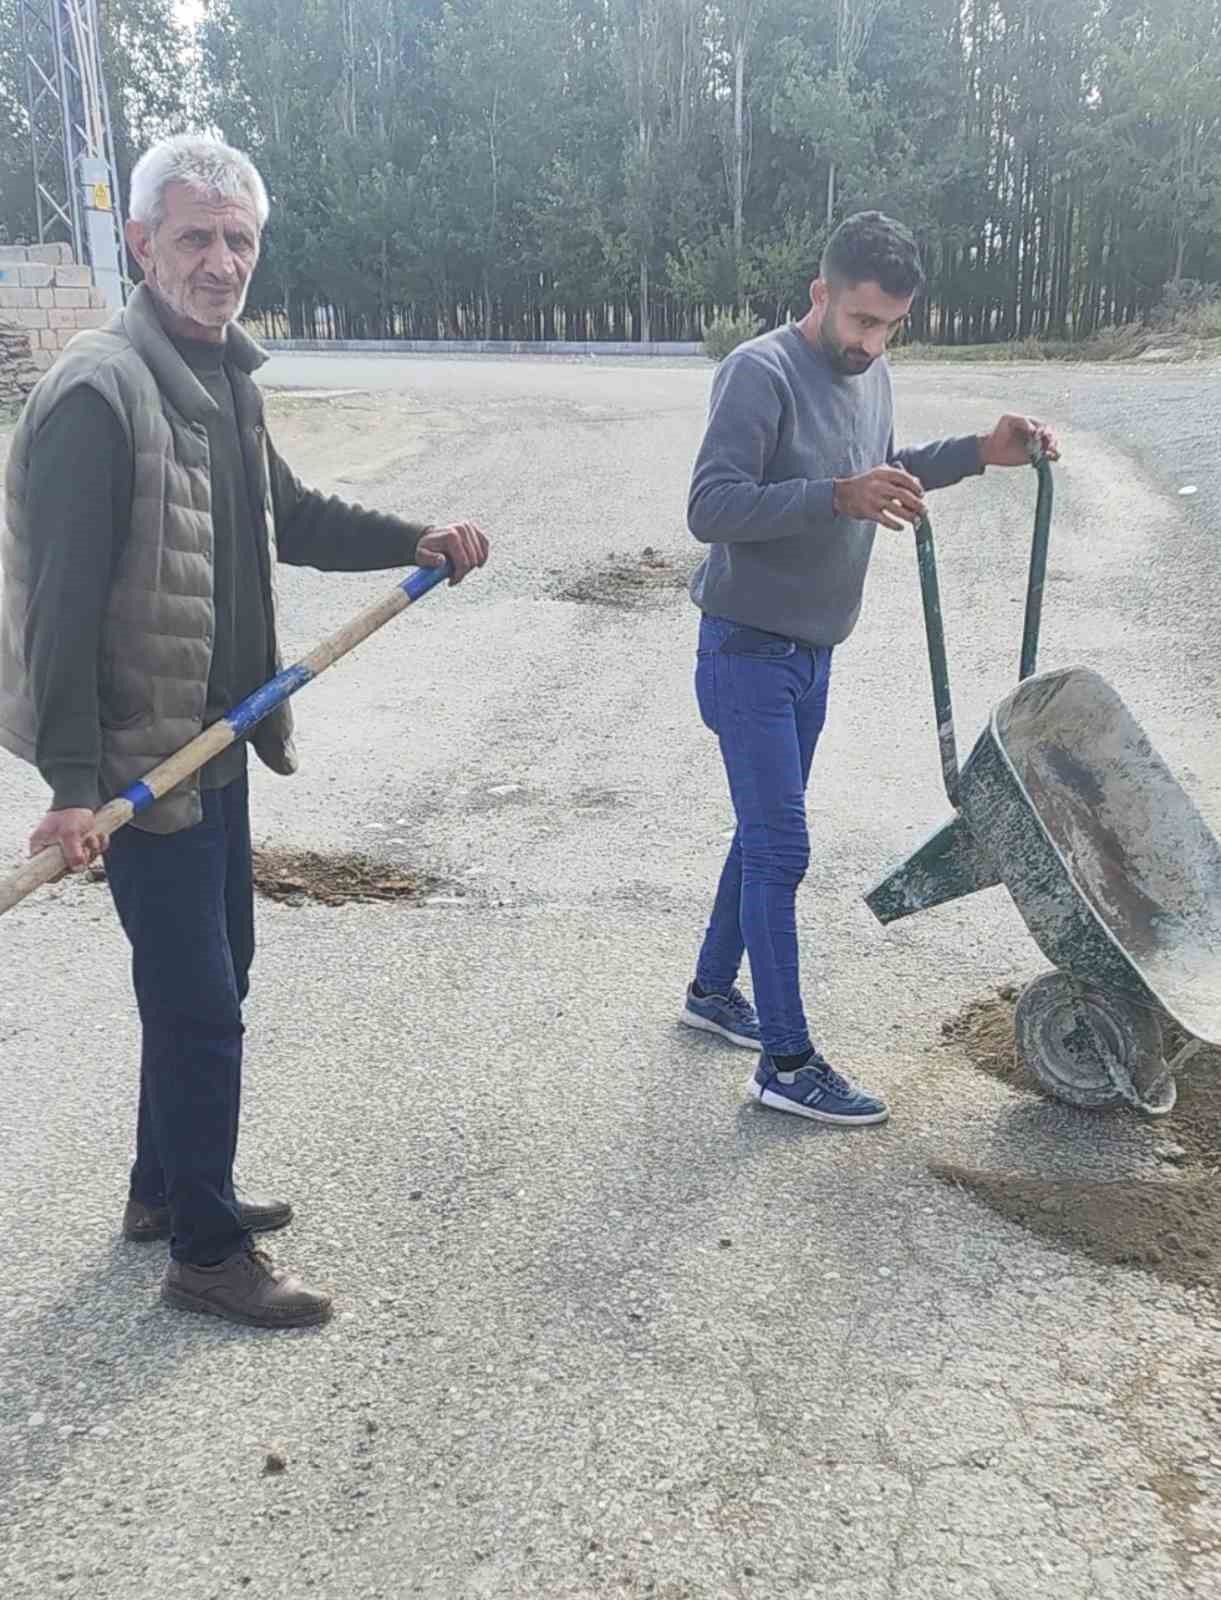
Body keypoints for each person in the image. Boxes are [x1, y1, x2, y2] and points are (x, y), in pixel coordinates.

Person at [0, 135, 489, 1328]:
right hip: (144, 760)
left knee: (216, 975)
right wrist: (73, 785)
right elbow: (58, 610)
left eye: (238, 240)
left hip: (218, 740)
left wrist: (415, 539)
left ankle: (166, 1187)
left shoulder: (227, 375)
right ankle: (207, 1255)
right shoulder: (97, 395)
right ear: (141, 245)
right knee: (200, 1003)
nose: (220, 262)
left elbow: (294, 516)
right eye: (194, 238)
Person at [678, 211, 1059, 1127]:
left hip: (812, 653)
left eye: (889, 326)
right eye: (860, 320)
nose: (872, 342)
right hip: (745, 649)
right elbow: (711, 506)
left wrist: (978, 453)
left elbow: (882, 469)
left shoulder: (869, 372)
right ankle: (784, 1064)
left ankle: (710, 991)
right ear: (820, 293)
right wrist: (834, 497)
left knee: (760, 835)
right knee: (780, 848)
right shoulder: (760, 371)